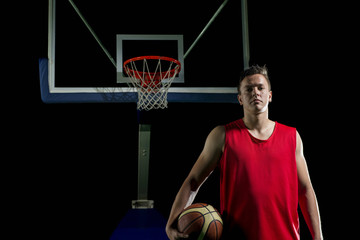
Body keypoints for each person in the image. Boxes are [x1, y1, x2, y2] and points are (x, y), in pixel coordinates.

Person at [165, 65, 323, 240]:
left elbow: (305, 190)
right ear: (240, 99)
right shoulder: (222, 136)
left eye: (260, 88)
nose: (255, 92)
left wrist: (318, 237)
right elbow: (193, 181)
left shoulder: (292, 136)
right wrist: (171, 224)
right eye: (249, 89)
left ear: (270, 96)